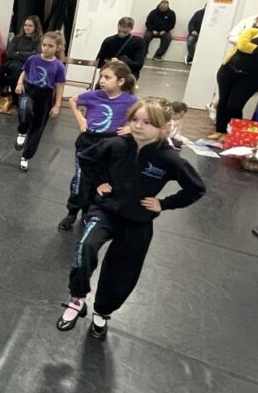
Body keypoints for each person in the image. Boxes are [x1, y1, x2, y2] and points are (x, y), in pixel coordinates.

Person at [56, 98, 205, 339]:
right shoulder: (115, 144)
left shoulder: (169, 158)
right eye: (134, 119)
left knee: (123, 270)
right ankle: (77, 298)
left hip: (138, 220)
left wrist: (164, 203)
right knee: (86, 246)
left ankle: (102, 312)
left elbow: (196, 188)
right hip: (105, 210)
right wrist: (99, 182)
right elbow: (87, 159)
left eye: (147, 122)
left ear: (165, 127)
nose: (138, 126)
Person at [59, 60, 137, 231]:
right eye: (101, 76)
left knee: (101, 179)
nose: (102, 80)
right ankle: (72, 212)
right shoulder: (93, 95)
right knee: (81, 178)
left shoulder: (130, 100)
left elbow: (143, 115)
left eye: (107, 77)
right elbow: (73, 101)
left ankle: (88, 211)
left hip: (110, 144)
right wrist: (81, 119)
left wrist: (131, 127)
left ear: (121, 81)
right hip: (88, 142)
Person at [209, 7, 258, 140]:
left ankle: (231, 133)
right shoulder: (252, 31)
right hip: (228, 71)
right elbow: (242, 45)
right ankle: (219, 130)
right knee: (223, 102)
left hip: (250, 78)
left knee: (235, 106)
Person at [14, 31, 66, 172]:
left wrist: (57, 105)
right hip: (30, 90)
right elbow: (24, 72)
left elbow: (59, 86)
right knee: (25, 108)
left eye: (50, 46)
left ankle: (26, 156)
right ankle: (22, 131)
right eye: (44, 45)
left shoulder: (59, 66)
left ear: (58, 47)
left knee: (37, 128)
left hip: (45, 97)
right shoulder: (33, 59)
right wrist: (20, 83)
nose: (46, 48)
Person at [0, 16, 42, 91]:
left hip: (28, 65)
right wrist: (27, 54)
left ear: (36, 27)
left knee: (16, 71)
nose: (27, 28)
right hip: (12, 63)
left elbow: (36, 55)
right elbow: (10, 53)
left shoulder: (38, 41)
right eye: (25, 25)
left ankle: (14, 93)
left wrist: (18, 53)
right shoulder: (16, 38)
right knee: (4, 70)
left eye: (30, 26)